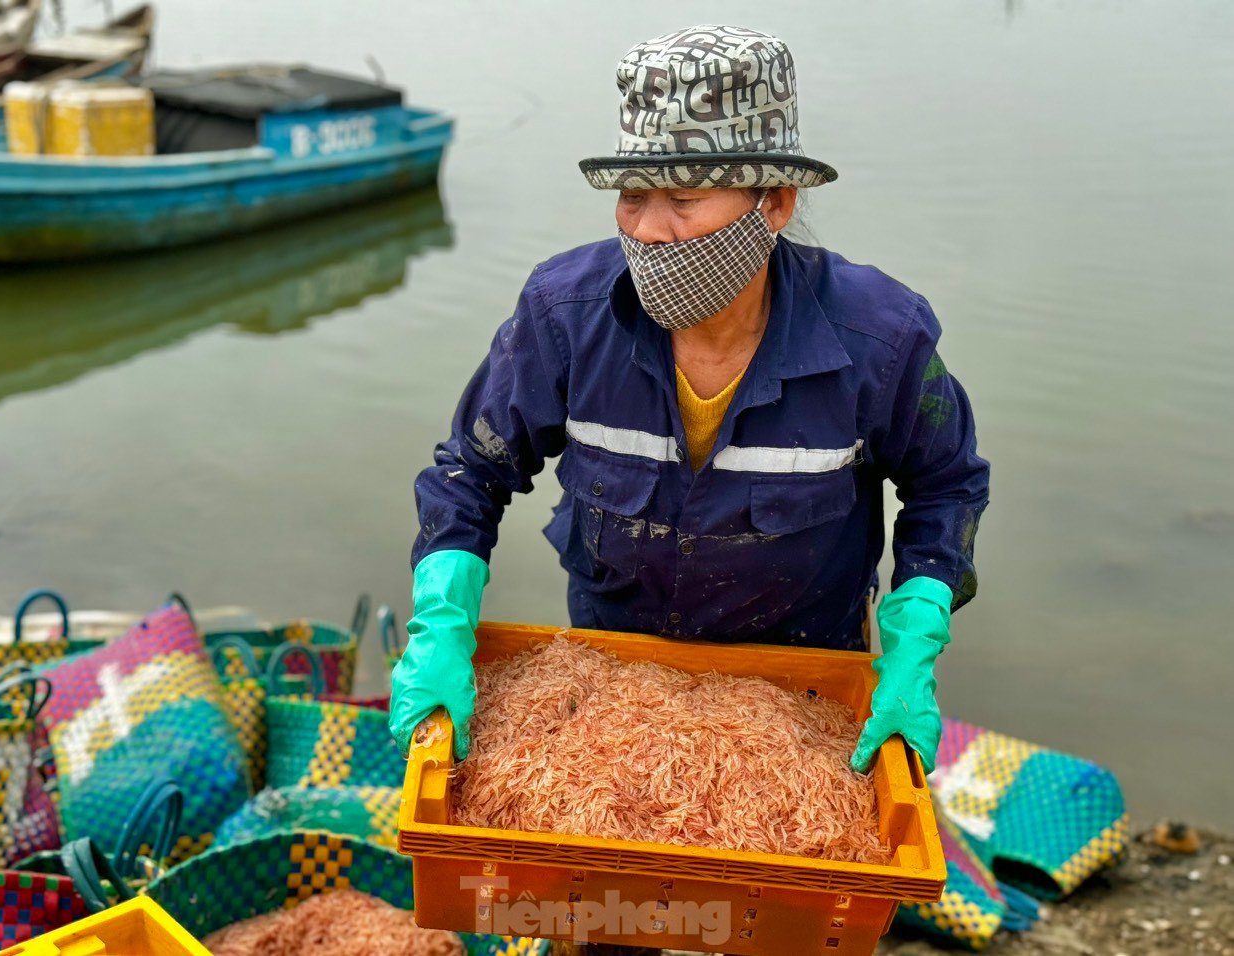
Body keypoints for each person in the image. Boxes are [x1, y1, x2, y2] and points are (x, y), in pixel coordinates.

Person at [389, 24, 989, 780]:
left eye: (684, 199)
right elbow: (470, 474)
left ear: (774, 203)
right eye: (634, 197)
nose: (650, 230)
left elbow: (946, 482)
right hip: (617, 680)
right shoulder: (564, 314)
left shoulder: (879, 337)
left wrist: (916, 638)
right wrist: (440, 625)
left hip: (802, 696)